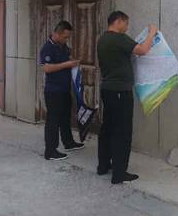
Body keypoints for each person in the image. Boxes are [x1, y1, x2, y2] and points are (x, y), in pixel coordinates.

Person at [97, 11, 157, 184]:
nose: (127, 27)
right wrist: (152, 33)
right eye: (126, 23)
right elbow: (142, 50)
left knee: (107, 128)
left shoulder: (103, 39)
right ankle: (119, 173)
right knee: (122, 131)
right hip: (120, 91)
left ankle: (103, 166)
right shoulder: (119, 38)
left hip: (107, 89)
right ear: (118, 21)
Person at [40, 20, 83, 161]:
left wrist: (73, 63)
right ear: (57, 34)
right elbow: (47, 68)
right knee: (53, 120)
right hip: (53, 91)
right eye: (65, 37)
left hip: (65, 89)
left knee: (65, 118)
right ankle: (50, 151)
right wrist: (67, 64)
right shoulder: (48, 48)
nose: (67, 40)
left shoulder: (63, 47)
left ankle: (68, 142)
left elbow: (66, 62)